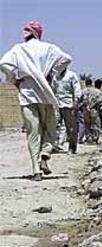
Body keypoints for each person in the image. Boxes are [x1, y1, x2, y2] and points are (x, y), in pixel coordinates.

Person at [0, 21, 71, 181]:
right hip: (45, 93)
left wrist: (14, 78)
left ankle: (35, 170)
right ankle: (45, 155)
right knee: (50, 129)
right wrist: (52, 72)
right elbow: (66, 59)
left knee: (33, 132)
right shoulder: (49, 48)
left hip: (27, 93)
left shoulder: (18, 49)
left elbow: (3, 64)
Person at [52, 66, 82, 154]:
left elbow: (77, 89)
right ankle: (56, 145)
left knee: (71, 127)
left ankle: (72, 147)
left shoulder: (71, 75)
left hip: (68, 104)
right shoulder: (55, 77)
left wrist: (75, 102)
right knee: (55, 125)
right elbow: (53, 90)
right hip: (57, 104)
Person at [79, 78, 102, 144]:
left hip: (85, 109)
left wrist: (86, 106)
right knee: (95, 123)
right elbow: (99, 100)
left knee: (87, 124)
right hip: (94, 109)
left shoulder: (83, 91)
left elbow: (82, 100)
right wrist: (92, 106)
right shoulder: (96, 91)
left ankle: (88, 137)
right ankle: (94, 138)